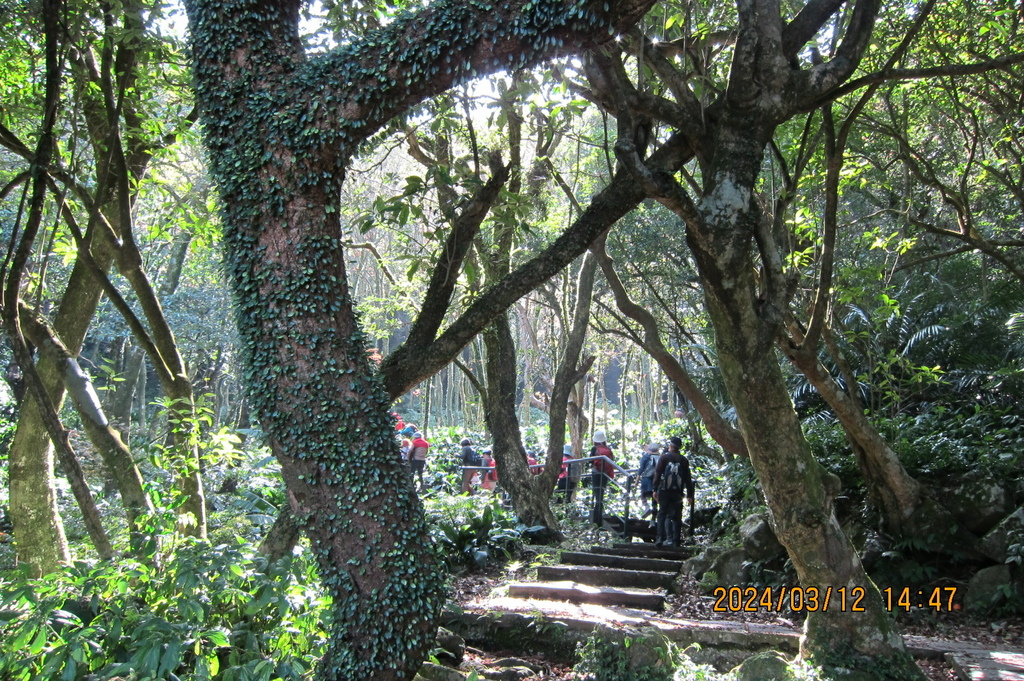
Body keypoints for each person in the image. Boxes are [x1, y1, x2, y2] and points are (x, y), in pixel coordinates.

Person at [653, 436, 695, 547]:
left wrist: (654, 489)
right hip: (678, 492)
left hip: (664, 491)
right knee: (677, 517)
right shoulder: (684, 460)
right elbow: (687, 478)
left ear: (670, 446)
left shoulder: (664, 458)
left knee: (662, 514)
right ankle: (676, 541)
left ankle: (659, 539)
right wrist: (690, 495)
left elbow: (657, 473)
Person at [589, 430, 615, 526]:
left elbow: (590, 461)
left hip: (596, 474)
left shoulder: (594, 449)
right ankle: (598, 517)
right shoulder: (608, 449)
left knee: (597, 495)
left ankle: (597, 519)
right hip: (605, 474)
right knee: (601, 495)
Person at [637, 442, 661, 525]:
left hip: (647, 479)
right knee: (655, 498)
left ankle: (646, 507)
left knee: (643, 493)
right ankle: (653, 519)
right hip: (657, 480)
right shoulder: (661, 457)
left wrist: (637, 480)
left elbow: (641, 469)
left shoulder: (646, 457)